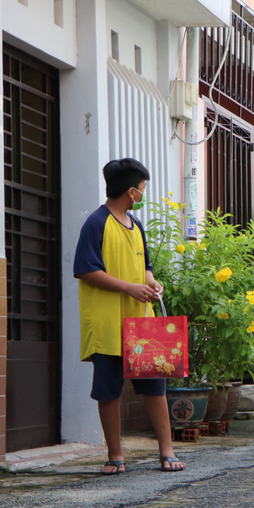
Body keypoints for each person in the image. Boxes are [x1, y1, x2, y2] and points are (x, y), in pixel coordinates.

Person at [74, 158, 184, 474]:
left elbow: (145, 266)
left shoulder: (137, 226)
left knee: (155, 388)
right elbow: (85, 270)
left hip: (142, 323)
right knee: (108, 390)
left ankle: (167, 451)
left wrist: (151, 281)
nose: (143, 194)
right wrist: (129, 288)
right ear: (131, 191)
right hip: (107, 323)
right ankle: (115, 455)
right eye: (143, 188)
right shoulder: (96, 222)